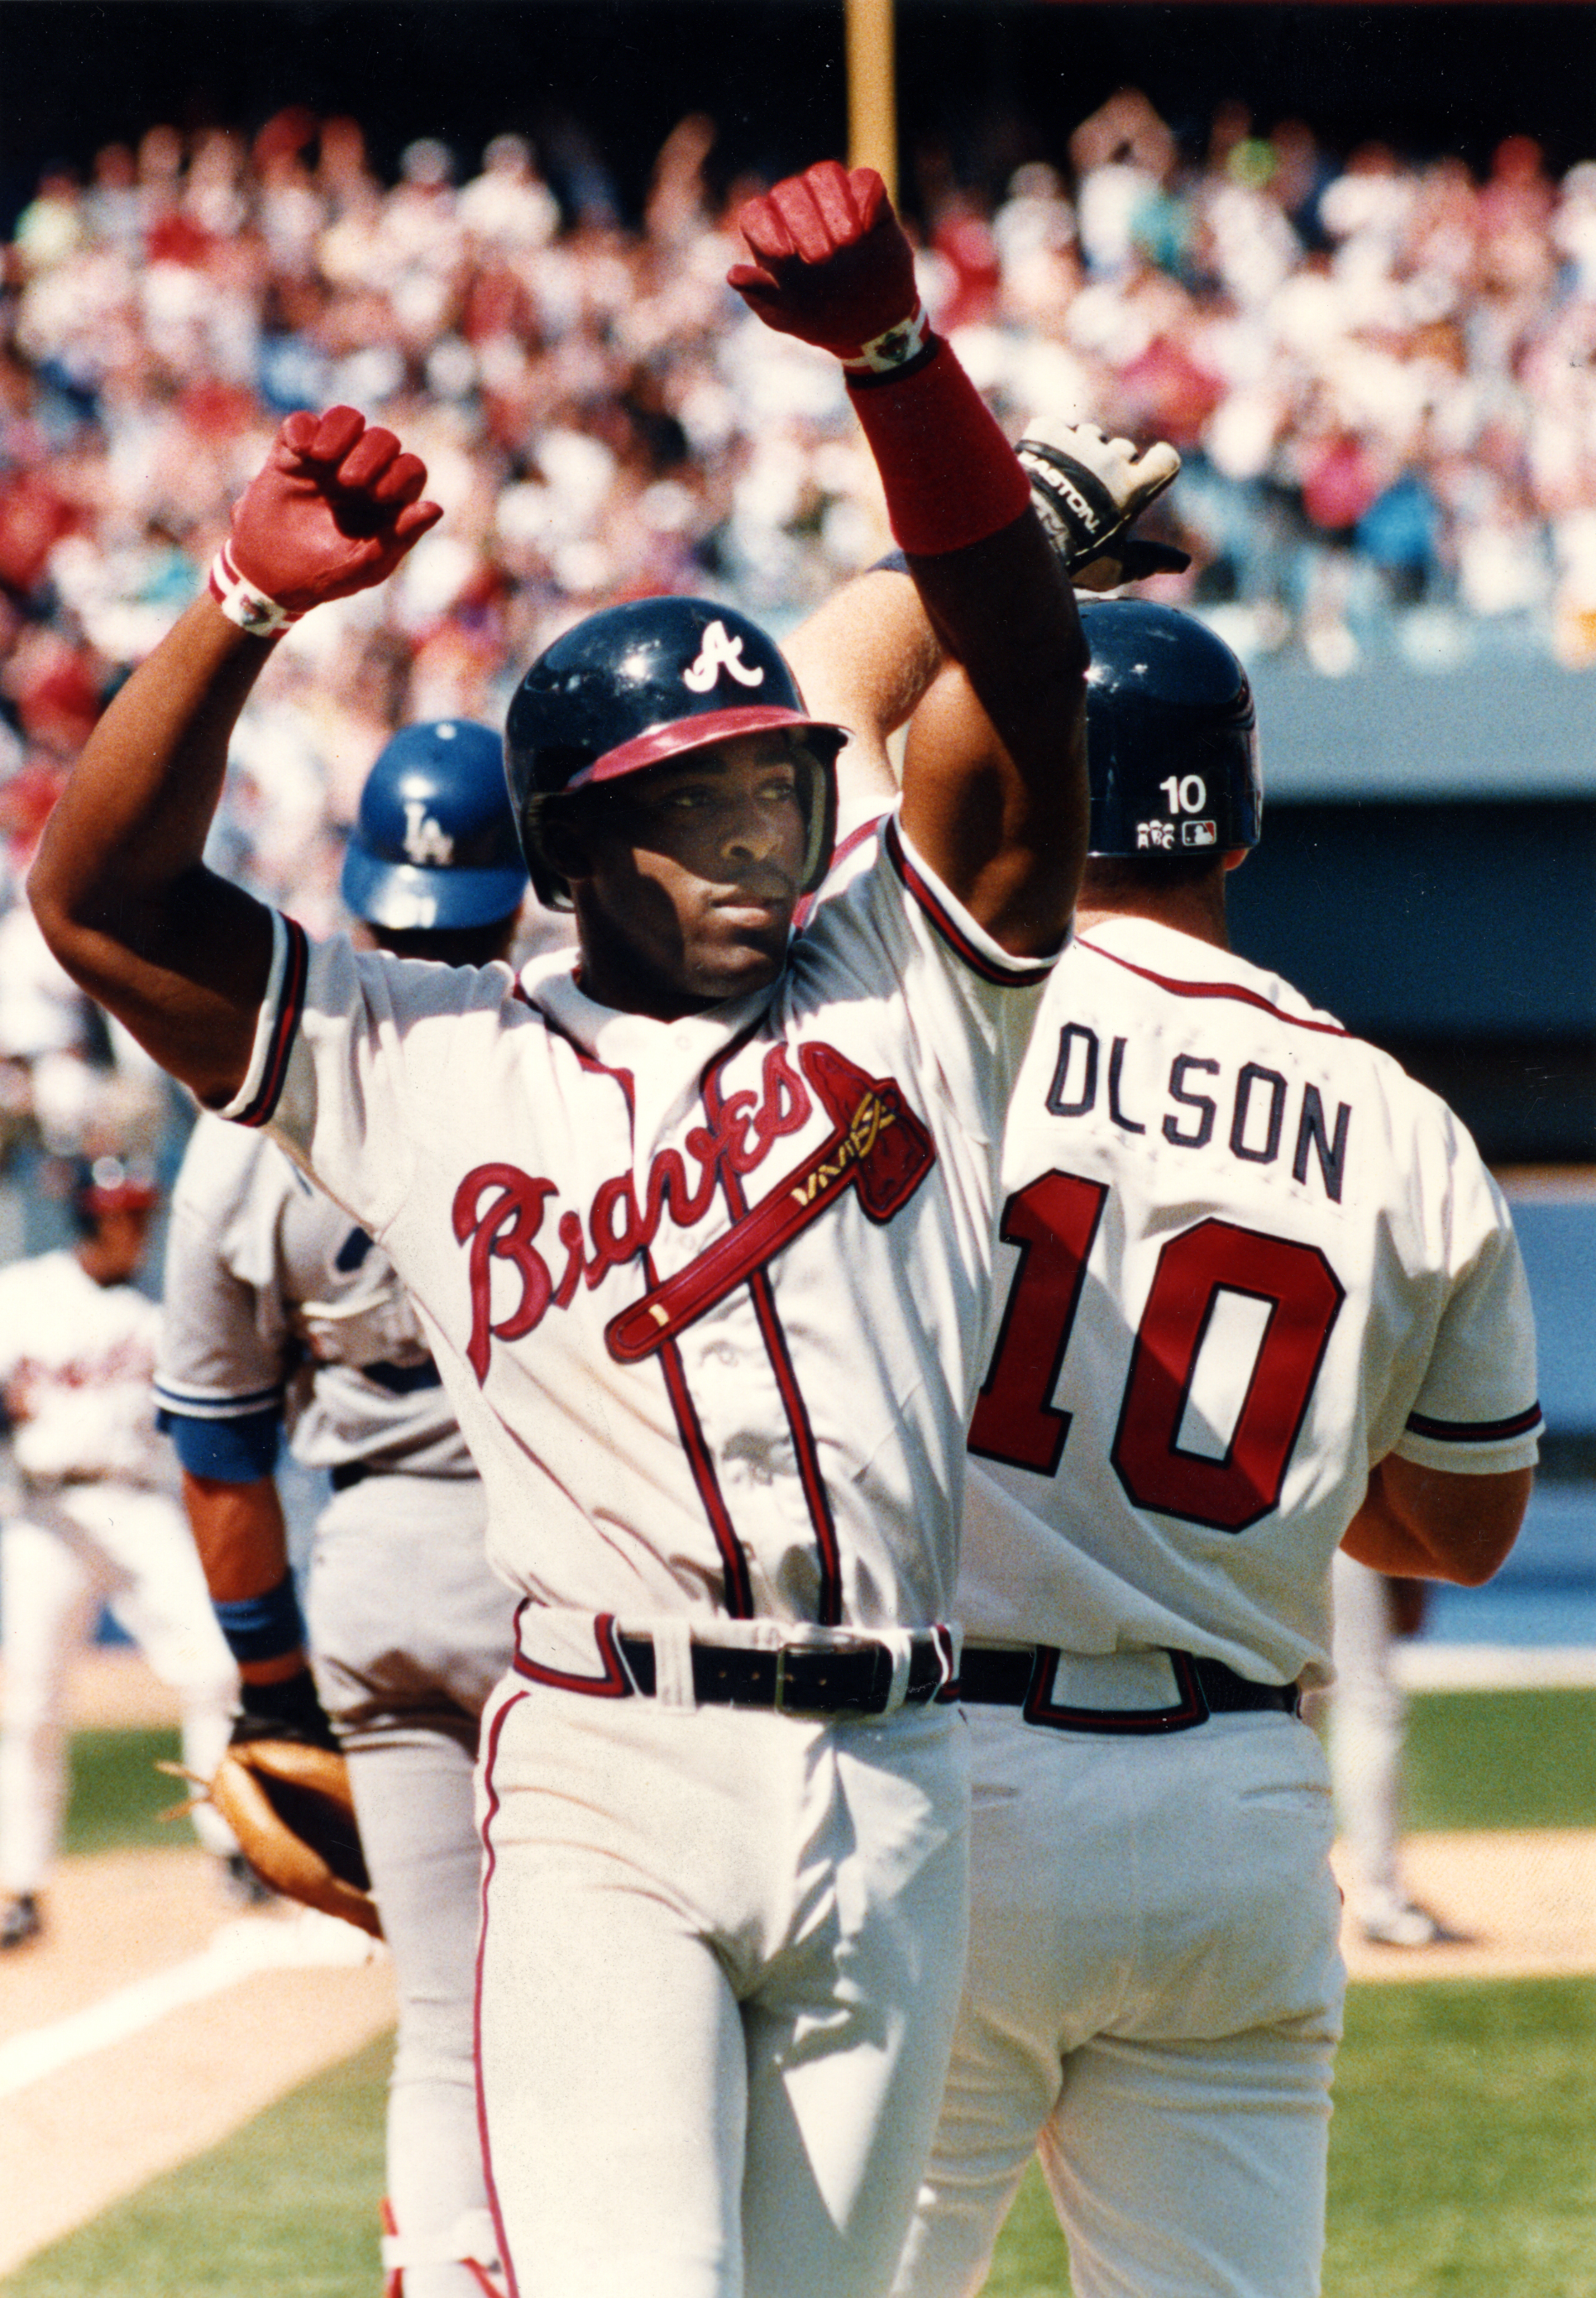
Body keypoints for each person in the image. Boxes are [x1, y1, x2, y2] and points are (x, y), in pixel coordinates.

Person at [25, 159, 1180, 2297]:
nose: (758, 837)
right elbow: (98, 900)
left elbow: (1019, 692)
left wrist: (898, 366)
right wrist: (240, 611)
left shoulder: (906, 981)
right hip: (608, 1766)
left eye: (776, 787)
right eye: (694, 806)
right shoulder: (430, 1051)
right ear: (575, 846)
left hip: (894, 1761)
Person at [839, 593, 1534, 2298]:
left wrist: (973, 562)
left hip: (948, 1768)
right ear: (1234, 811)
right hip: (1228, 1796)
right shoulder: (1392, 1116)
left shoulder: (928, 998)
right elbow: (1457, 1527)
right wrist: (1252, 1471)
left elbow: (832, 695)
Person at [154, 720, 528, 2296]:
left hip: (377, 1570)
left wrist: (265, 1681)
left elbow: (220, 1441)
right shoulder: (575, 1051)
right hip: (559, 1570)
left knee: (444, 2018)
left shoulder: (250, 1114)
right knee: (626, 1985)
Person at [0, 1155, 244, 1949]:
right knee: (32, 1705)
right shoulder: (23, 1295)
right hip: (47, 1513)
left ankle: (234, 1848)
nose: (136, 1226)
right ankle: (21, 1886)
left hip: (137, 1506)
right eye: (121, 1212)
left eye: (140, 1211)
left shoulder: (155, 1315)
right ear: (86, 1217)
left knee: (214, 1666)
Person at [1314, 1549, 1456, 1946]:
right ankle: (1381, 1901)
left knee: (1281, 1705)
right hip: (1340, 1529)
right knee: (1367, 1702)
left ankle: (1261, 1893)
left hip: (1251, 1527)